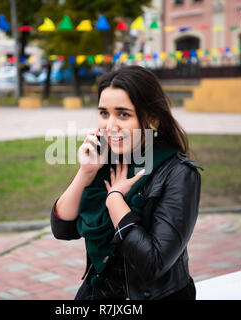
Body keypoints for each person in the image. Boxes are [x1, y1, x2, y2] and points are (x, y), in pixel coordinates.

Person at [50, 65, 202, 300]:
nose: (110, 126)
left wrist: (115, 201)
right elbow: (62, 229)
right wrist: (85, 173)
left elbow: (153, 263)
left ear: (151, 117)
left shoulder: (178, 173)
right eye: (104, 113)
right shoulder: (105, 160)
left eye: (123, 114)